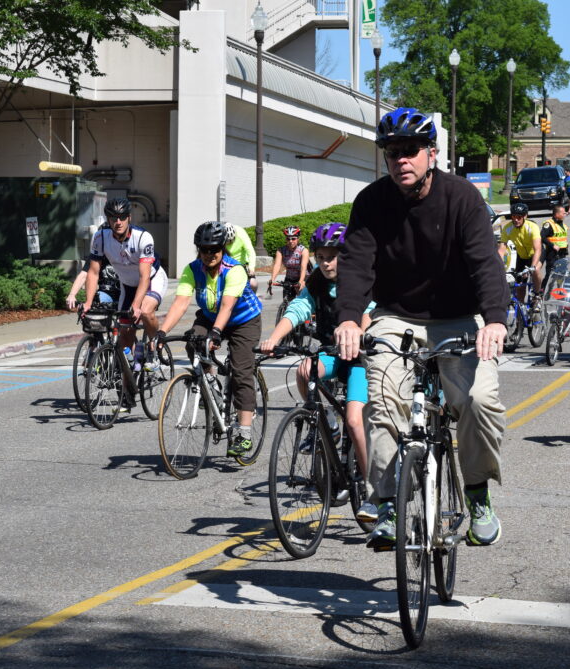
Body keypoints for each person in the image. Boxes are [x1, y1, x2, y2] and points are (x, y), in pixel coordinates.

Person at [333, 106, 509, 550]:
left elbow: (485, 263)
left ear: (432, 153)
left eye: (410, 150)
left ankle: (477, 494)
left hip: (457, 317)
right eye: (392, 153)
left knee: (477, 399)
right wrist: (350, 319)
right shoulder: (371, 203)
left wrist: (494, 320)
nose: (400, 160)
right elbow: (355, 265)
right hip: (397, 317)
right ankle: (389, 504)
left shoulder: (462, 198)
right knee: (385, 399)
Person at [259, 222, 377, 520]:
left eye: (333, 256)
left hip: (358, 358)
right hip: (331, 353)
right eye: (322, 256)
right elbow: (298, 308)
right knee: (303, 370)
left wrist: (360, 335)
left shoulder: (361, 279)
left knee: (354, 420)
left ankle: (375, 491)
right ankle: (326, 425)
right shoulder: (317, 281)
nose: (326, 262)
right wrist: (275, 337)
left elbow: (369, 313)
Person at [158, 221, 263, 460]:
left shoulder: (234, 270)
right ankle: (211, 382)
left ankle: (244, 432)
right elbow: (181, 303)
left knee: (240, 371)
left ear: (222, 248)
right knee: (193, 342)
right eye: (203, 250)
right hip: (210, 316)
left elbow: (227, 306)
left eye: (214, 249)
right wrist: (161, 332)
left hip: (243, 320)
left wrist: (216, 333)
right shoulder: (192, 269)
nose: (209, 255)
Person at [82, 197, 166, 385]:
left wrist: (136, 305)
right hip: (127, 284)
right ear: (108, 219)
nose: (117, 222)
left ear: (129, 217)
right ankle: (130, 383)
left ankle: (153, 347)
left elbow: (144, 277)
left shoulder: (143, 238)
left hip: (151, 280)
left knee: (144, 311)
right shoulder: (100, 237)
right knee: (125, 334)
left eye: (121, 217)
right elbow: (93, 272)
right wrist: (88, 302)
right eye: (113, 218)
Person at [498, 203, 543, 294]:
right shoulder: (507, 228)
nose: (515, 220)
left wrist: (532, 267)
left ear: (525, 216)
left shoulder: (532, 227)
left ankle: (537, 294)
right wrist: (497, 265)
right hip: (522, 257)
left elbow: (537, 249)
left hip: (536, 254)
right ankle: (520, 306)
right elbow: (501, 250)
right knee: (519, 286)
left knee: (536, 270)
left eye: (519, 217)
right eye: (513, 217)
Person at [268, 226, 309, 299]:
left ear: (298, 239)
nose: (290, 241)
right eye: (288, 239)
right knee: (286, 300)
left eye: (293, 238)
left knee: (301, 300)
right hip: (289, 279)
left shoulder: (303, 250)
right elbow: (277, 265)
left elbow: (303, 267)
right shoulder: (281, 250)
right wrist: (272, 279)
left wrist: (301, 281)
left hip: (302, 277)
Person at [223, 222, 258, 293]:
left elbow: (250, 251)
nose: (229, 244)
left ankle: (254, 296)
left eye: (231, 241)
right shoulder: (219, 236)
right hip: (227, 264)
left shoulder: (241, 233)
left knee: (253, 283)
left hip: (242, 264)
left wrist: (251, 268)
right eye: (228, 242)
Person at [541, 203, 570, 282]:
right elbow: (542, 237)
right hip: (553, 253)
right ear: (557, 214)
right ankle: (543, 291)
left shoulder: (562, 224)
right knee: (550, 274)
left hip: (562, 253)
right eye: (563, 213)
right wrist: (552, 245)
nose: (565, 214)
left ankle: (560, 291)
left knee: (562, 274)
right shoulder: (549, 224)